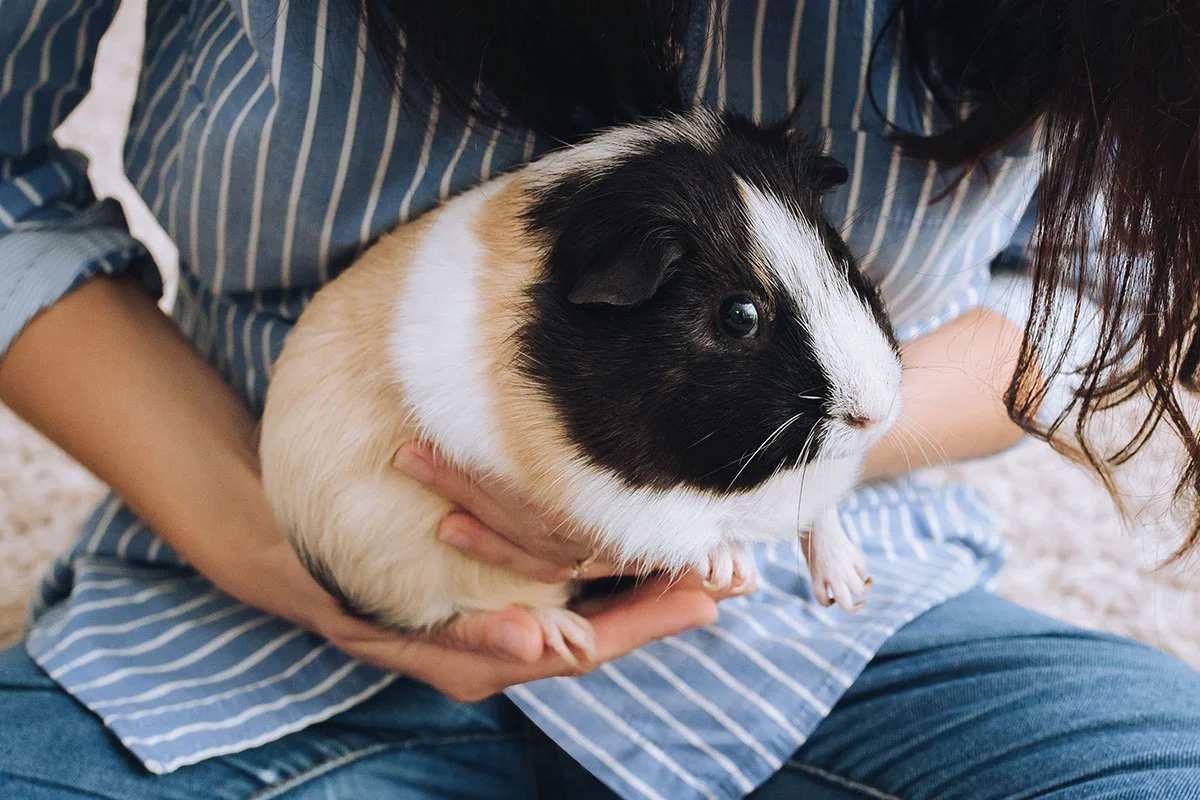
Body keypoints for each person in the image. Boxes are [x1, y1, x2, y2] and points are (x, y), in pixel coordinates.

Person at [1, 0, 1199, 797]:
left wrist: (795, 482)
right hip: (246, 599)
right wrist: (289, 538)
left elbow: (1099, 283)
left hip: (828, 634)